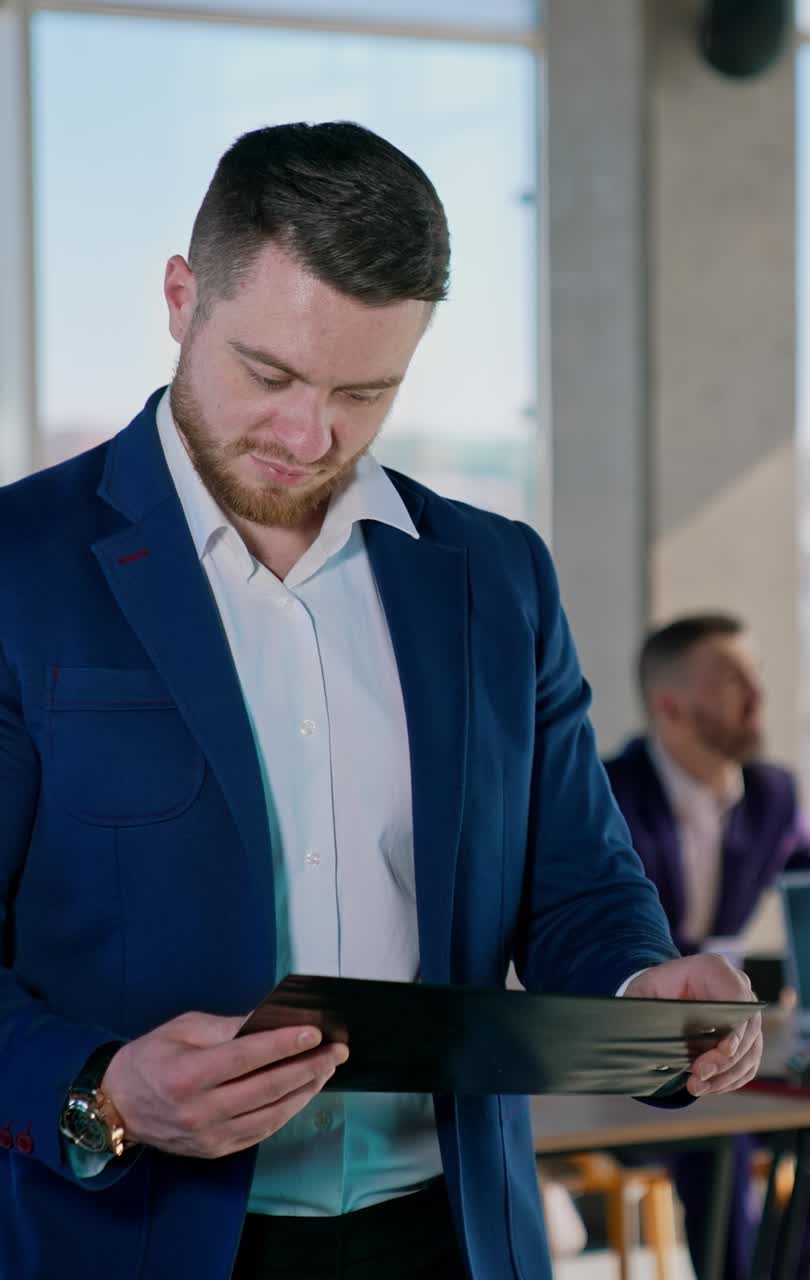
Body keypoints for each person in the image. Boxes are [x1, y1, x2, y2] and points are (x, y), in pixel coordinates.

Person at [0, 121, 762, 1280]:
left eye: (366, 392)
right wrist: (96, 1089)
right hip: (128, 1234)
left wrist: (638, 988)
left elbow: (580, 888)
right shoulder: (18, 565)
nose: (310, 436)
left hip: (451, 1234)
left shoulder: (497, 581)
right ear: (178, 299)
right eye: (270, 375)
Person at [604, 613, 810, 1280]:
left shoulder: (770, 794)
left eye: (755, 676)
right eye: (734, 681)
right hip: (635, 1051)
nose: (758, 696)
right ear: (671, 705)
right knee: (719, 1143)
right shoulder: (605, 796)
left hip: (734, 1049)